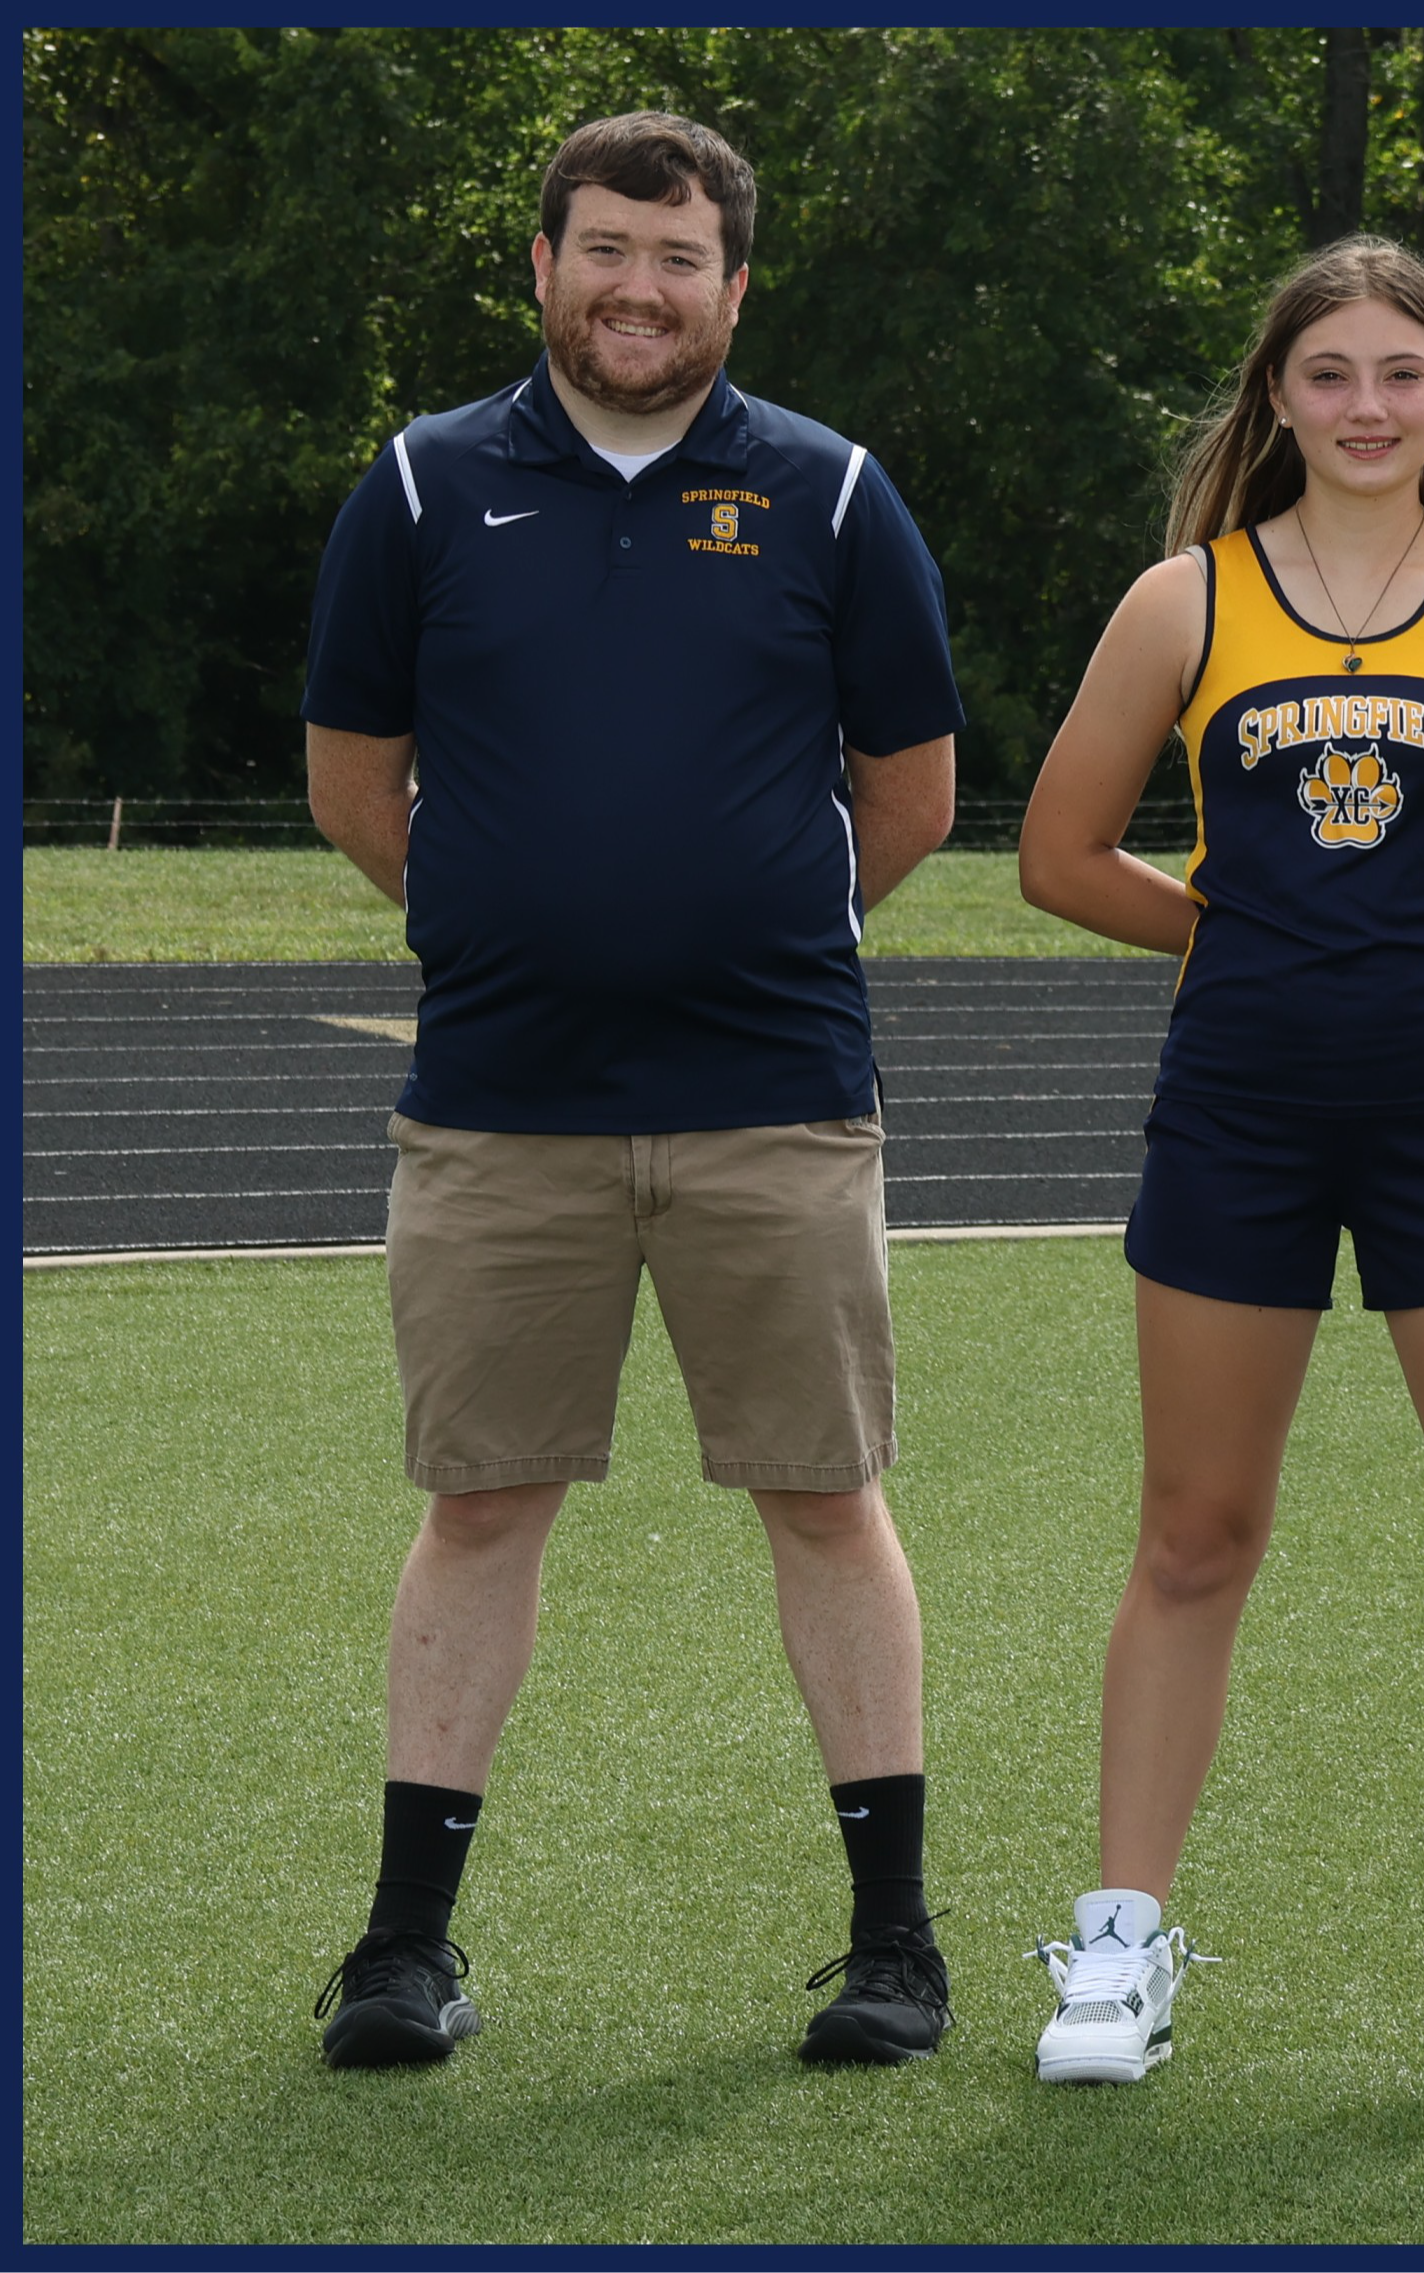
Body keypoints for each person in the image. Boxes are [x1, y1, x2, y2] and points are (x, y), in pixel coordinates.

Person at [298, 112, 965, 2069]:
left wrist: (739, 924)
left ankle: (894, 1943)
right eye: (604, 248)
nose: (637, 288)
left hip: (773, 1097)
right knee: (479, 1501)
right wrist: (514, 917)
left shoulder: (835, 496)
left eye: (677, 259)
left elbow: (911, 793)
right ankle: (405, 1950)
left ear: (735, 289)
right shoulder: (420, 489)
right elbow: (356, 777)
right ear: (542, 264)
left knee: (826, 1498)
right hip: (503, 1103)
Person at [1014, 237, 1424, 2094]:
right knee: (1192, 1536)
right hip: (1234, 1107)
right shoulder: (1186, 603)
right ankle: (1122, 1947)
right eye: (1331, 375)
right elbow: (1060, 854)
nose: (1369, 405)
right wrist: (1239, 939)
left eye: (1404, 372)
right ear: (1276, 401)